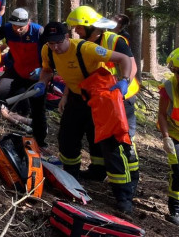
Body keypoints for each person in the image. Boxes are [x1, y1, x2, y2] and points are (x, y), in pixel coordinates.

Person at [36, 21, 137, 214]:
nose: (55, 47)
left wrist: (125, 81)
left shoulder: (87, 49)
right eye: (51, 43)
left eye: (58, 42)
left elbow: (123, 58)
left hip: (100, 97)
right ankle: (71, 179)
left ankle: (123, 196)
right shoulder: (47, 51)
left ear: (67, 37)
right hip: (76, 96)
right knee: (67, 138)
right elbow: (48, 69)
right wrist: (42, 82)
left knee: (111, 145)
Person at [66, 6, 140, 183]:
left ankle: (132, 179)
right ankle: (98, 170)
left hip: (122, 97)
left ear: (91, 27)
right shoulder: (83, 45)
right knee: (96, 133)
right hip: (99, 97)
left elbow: (132, 65)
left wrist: (124, 82)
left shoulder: (115, 41)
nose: (76, 30)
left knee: (123, 138)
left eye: (79, 27)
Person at [0, 8, 46, 145]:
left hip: (37, 75)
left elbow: (51, 53)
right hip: (16, 70)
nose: (18, 30)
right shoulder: (7, 29)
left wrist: (44, 70)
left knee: (38, 108)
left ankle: (40, 141)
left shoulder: (39, 32)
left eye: (21, 27)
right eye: (15, 26)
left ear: (29, 22)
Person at [158, 47, 179, 226]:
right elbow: (161, 114)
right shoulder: (168, 86)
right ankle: (177, 210)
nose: (176, 76)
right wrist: (166, 137)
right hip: (175, 136)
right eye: (174, 71)